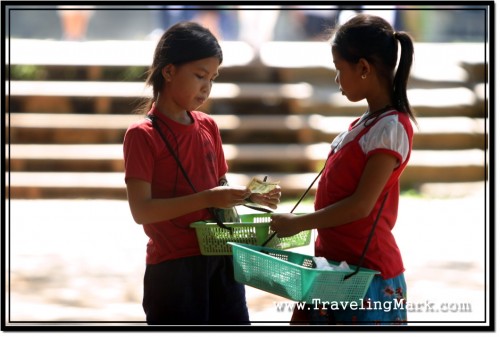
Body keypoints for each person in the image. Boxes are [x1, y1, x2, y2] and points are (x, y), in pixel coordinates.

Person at [123, 21, 281, 325]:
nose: (206, 86)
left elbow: (218, 187)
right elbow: (141, 210)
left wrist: (251, 196)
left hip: (222, 260)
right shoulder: (142, 135)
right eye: (199, 75)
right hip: (174, 269)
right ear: (168, 72)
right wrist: (208, 197)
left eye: (212, 78)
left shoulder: (208, 126)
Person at [270, 14, 416, 325]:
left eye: (340, 69)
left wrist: (300, 223)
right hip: (335, 267)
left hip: (367, 275)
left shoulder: (391, 128)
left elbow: (361, 206)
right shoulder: (365, 123)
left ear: (363, 67)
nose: (337, 80)